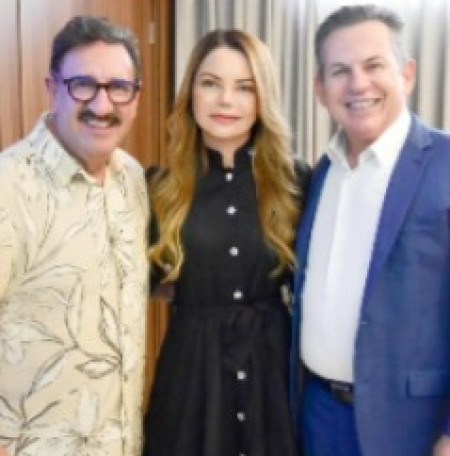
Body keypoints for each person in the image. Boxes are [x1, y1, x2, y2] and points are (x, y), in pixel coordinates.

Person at [290, 4, 450, 456]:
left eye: (374, 65)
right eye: (340, 71)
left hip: (411, 427)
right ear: (320, 89)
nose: (358, 84)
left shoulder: (444, 164)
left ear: (407, 73)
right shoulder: (321, 173)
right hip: (318, 414)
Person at [143, 29, 310, 456]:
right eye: (211, 83)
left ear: (262, 98)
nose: (225, 101)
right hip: (191, 381)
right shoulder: (157, 188)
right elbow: (133, 285)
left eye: (244, 87)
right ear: (190, 93)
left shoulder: (297, 182)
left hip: (273, 379)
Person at [0, 15, 149, 456]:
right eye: (83, 85)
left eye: (118, 87)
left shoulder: (132, 180)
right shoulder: (9, 187)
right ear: (52, 88)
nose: (102, 106)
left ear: (136, 97)